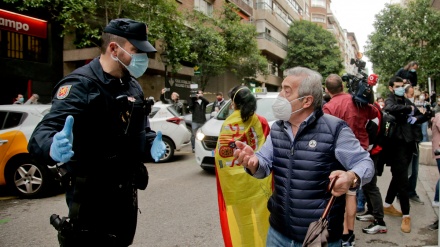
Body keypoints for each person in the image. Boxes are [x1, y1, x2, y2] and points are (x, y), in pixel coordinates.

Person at [28, 18, 165, 246]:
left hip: (125, 195)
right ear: (114, 48)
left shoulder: (132, 86)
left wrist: (151, 144)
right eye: (135, 51)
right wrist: (52, 145)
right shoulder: (80, 84)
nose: (142, 58)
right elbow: (44, 132)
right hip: (92, 198)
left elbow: (139, 131)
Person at [233, 66, 374, 246]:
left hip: (317, 237)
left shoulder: (335, 129)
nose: (280, 96)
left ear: (306, 101)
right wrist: (253, 163)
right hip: (278, 233)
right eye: (281, 89)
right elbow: (263, 165)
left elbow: (366, 163)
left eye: (287, 90)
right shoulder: (278, 128)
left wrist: (351, 177)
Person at [323, 74, 378, 245]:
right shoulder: (356, 100)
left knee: (340, 197)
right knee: (352, 192)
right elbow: (374, 112)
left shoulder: (329, 107)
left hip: (338, 154)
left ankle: (342, 232)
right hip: (360, 152)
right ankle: (349, 235)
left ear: (327, 90)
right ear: (342, 86)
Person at [215, 85, 271, 247]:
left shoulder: (228, 123)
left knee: (244, 225)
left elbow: (221, 153)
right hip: (259, 182)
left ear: (234, 103)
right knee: (264, 221)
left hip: (236, 186)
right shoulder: (261, 121)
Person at [381, 76, 430, 233]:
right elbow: (389, 108)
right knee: (402, 181)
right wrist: (408, 111)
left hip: (409, 145)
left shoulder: (406, 101)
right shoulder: (391, 100)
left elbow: (424, 115)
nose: (401, 88)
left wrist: (416, 117)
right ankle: (406, 216)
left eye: (402, 85)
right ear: (391, 88)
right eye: (397, 86)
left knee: (399, 177)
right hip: (396, 147)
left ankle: (387, 205)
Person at [356, 98, 388, 235]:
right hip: (369, 152)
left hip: (371, 153)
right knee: (366, 185)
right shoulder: (369, 107)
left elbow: (372, 135)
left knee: (371, 186)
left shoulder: (372, 110)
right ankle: (371, 212)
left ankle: (380, 222)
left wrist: (362, 151)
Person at [405, 85, 425, 205]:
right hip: (407, 142)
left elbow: (423, 116)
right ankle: (402, 192)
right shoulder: (403, 105)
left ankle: (411, 192)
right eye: (412, 94)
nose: (413, 97)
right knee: (407, 171)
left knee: (414, 171)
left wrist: (416, 118)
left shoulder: (412, 106)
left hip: (415, 141)